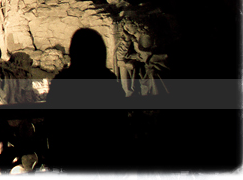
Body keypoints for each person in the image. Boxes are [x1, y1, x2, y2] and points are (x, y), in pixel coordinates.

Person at [45, 28, 125, 171]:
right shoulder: (108, 81)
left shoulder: (63, 82)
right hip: (106, 152)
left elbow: (53, 121)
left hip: (73, 153)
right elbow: (119, 118)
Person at [116, 17, 168, 97]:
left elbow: (146, 55)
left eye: (128, 26)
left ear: (135, 24)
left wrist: (136, 55)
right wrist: (127, 40)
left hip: (155, 62)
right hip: (145, 63)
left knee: (152, 75)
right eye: (125, 28)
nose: (126, 29)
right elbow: (121, 55)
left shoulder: (145, 36)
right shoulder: (133, 37)